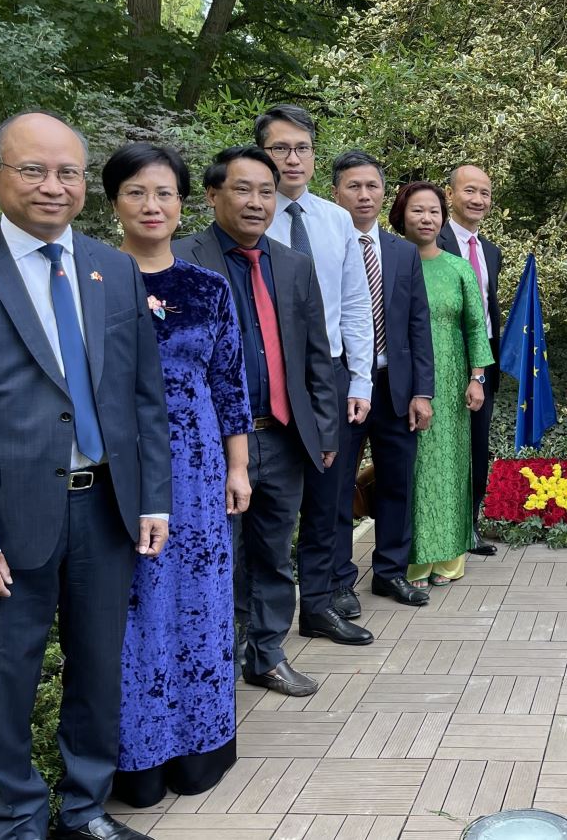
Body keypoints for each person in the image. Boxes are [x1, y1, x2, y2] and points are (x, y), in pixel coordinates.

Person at [0, 112, 171, 840]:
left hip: (106, 511)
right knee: (2, 683)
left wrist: (156, 499)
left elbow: (141, 396)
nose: (53, 187)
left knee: (97, 672)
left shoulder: (112, 267)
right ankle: (15, 821)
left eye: (67, 173)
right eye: (33, 170)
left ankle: (84, 810)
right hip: (3, 521)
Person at [102, 143, 252, 807]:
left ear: (183, 202)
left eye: (163, 193)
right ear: (114, 203)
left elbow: (230, 382)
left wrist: (239, 464)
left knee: (201, 602)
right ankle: (137, 760)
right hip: (120, 468)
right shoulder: (92, 283)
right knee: (134, 611)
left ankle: (201, 748)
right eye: (137, 192)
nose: (151, 205)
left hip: (198, 472)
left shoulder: (207, 287)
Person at [173, 146, 338, 698]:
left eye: (266, 191)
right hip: (212, 444)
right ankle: (212, 662)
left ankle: (265, 656)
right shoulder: (179, 260)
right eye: (242, 189)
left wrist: (324, 430)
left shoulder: (293, 265)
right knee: (216, 557)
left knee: (272, 554)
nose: (256, 202)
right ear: (212, 194)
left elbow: (317, 355)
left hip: (284, 438)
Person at [256, 104, 376, 645]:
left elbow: (354, 305)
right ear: (263, 154)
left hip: (327, 371)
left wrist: (360, 381)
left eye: (302, 147)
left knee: (329, 497)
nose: (292, 159)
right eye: (280, 148)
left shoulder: (334, 220)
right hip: (266, 373)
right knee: (271, 501)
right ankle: (256, 623)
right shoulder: (250, 216)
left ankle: (322, 602)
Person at [330, 151, 436, 607]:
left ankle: (389, 571)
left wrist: (422, 391)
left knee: (396, 481)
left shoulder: (401, 252)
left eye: (372, 186)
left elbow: (418, 324)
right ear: (335, 192)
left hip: (394, 385)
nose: (364, 195)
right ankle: (337, 579)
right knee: (336, 487)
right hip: (340, 387)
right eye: (354, 186)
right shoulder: (324, 245)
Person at [395, 181, 495, 586]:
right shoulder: (393, 264)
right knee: (412, 468)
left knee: (451, 466)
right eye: (418, 211)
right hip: (405, 378)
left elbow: (476, 326)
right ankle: (414, 560)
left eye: (433, 211)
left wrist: (477, 378)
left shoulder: (457, 268)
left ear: (443, 215)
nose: (427, 218)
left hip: (453, 380)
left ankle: (450, 557)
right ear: (402, 214)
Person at [438, 164, 504, 556]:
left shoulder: (490, 251)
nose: (478, 200)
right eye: (469, 191)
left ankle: (470, 528)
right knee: (443, 449)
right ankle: (439, 530)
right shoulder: (430, 243)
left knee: (477, 448)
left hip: (483, 362)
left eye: (485, 193)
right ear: (450, 195)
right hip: (445, 360)